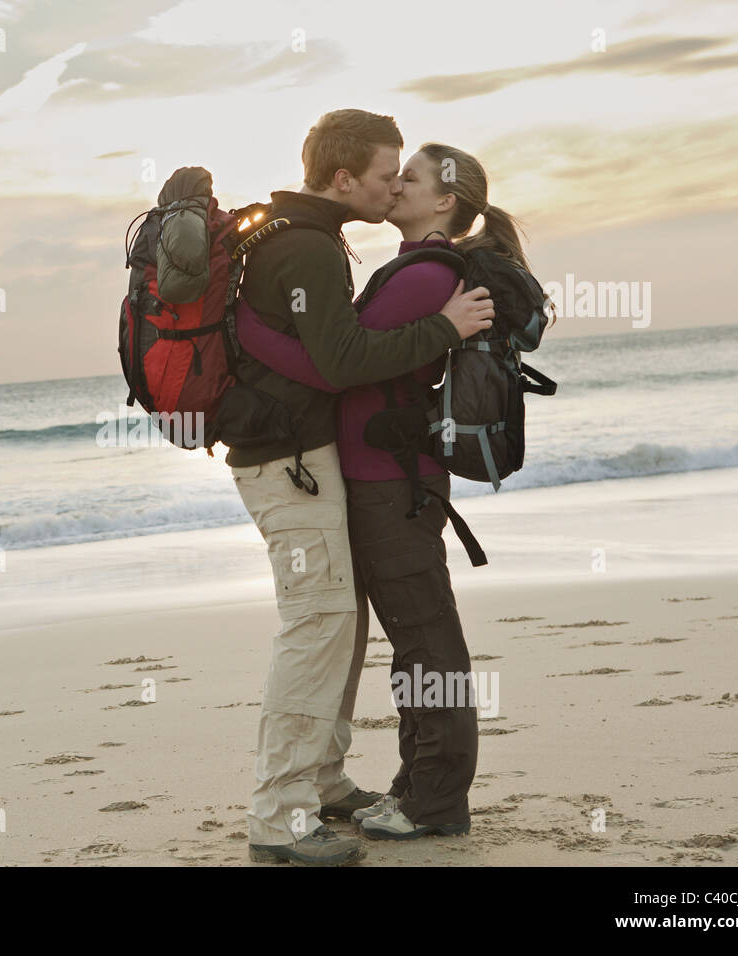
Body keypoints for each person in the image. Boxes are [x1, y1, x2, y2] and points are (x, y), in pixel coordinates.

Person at [238, 141, 531, 841]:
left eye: (413, 178)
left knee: (428, 644)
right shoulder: (411, 270)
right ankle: (415, 785)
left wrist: (244, 330)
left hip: (390, 486)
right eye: (395, 174)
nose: (396, 186)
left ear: (445, 202)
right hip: (383, 480)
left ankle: (435, 801)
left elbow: (336, 364)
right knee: (415, 644)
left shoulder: (426, 276)